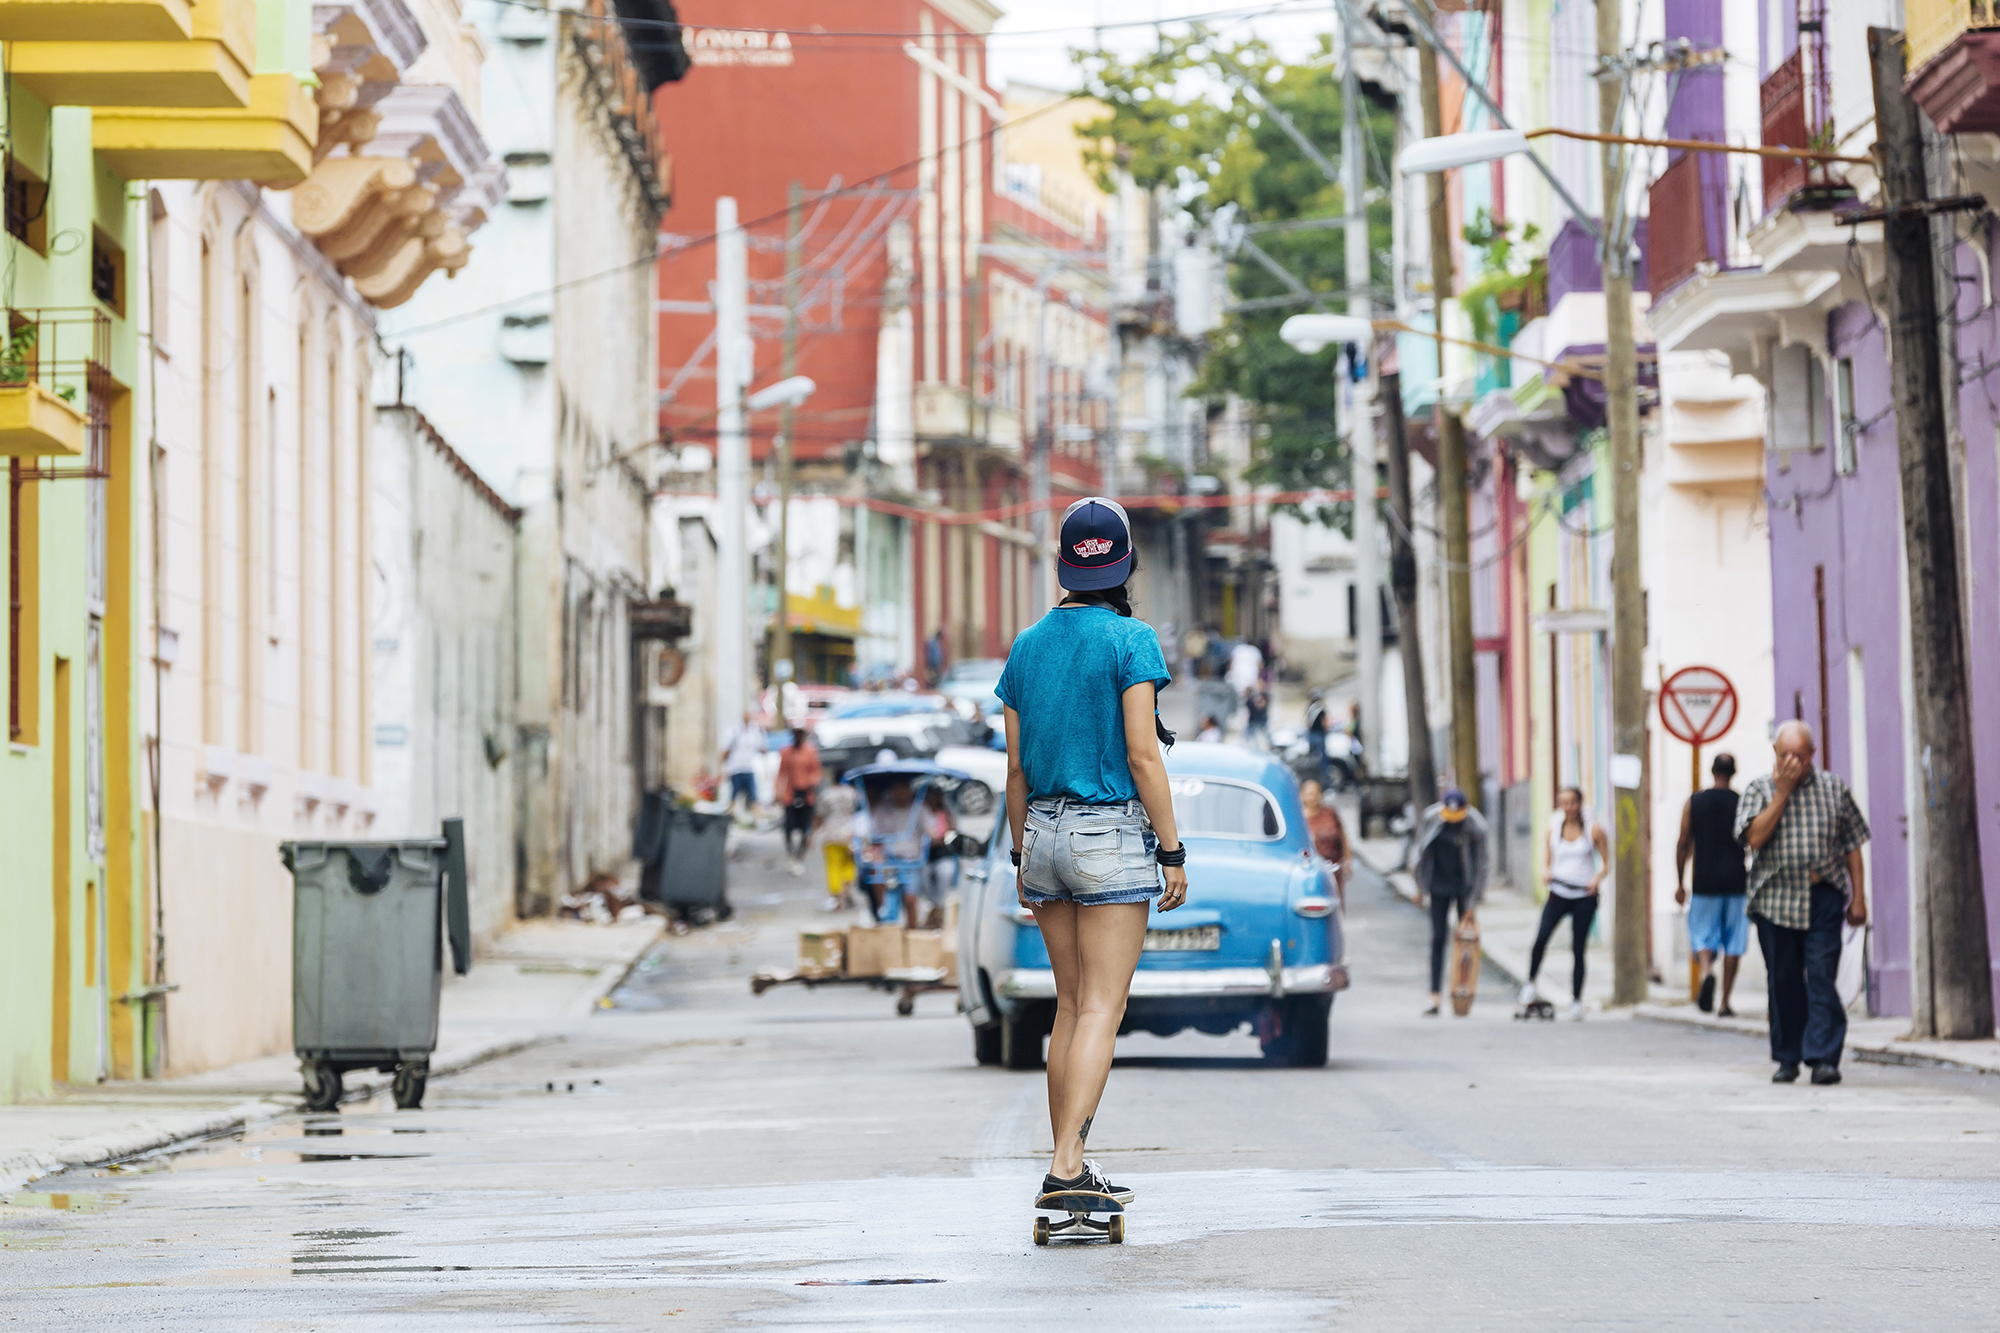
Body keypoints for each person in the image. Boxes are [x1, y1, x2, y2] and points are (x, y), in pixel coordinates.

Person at [995, 495, 1186, 1209]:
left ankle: (1066, 1161)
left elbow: (1015, 770)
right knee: (1104, 1006)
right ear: (1126, 565)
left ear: (1062, 566)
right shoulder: (1131, 640)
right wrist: (1172, 851)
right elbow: (1142, 754)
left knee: (1070, 1007)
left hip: (1040, 833)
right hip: (1107, 835)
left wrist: (1020, 855)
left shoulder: (1026, 646)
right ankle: (1067, 1165)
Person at [1736, 721, 1870, 1085]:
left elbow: (1852, 845)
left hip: (1822, 895)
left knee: (1822, 976)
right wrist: (1782, 793)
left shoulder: (1834, 788)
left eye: (1799, 755)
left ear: (1812, 754)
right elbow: (1754, 839)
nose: (1792, 762)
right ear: (1775, 754)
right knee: (1784, 981)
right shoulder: (1759, 789)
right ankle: (1788, 1057)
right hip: (1774, 899)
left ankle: (1824, 1058)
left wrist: (1858, 898)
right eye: (1785, 755)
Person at [1521, 787, 1609, 1020]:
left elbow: (1606, 863)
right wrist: (1545, 871)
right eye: (1564, 803)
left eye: (1572, 802)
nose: (1568, 808)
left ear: (1580, 804)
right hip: (1559, 892)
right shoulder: (1554, 828)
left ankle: (1576, 1001)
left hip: (1583, 896)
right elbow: (1547, 861)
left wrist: (1597, 878)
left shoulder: (1593, 830)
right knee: (1541, 937)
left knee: (1578, 949)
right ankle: (1530, 983)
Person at [1676, 753, 1748, 1015]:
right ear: (1733, 772)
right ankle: (1725, 1002)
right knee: (1734, 942)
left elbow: (1683, 843)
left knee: (1702, 935)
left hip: (1704, 880)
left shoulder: (1695, 802)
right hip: (1736, 881)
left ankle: (1707, 971)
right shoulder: (1742, 802)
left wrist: (1680, 883)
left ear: (1711, 770)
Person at [1412, 788, 1489, 1016]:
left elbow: (1482, 865)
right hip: (1438, 885)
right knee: (1438, 938)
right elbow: (1421, 853)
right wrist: (1419, 888)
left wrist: (1472, 903)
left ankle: (1462, 992)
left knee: (1465, 942)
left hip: (1464, 887)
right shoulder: (1431, 818)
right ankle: (1434, 996)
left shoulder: (1476, 825)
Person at [774, 726, 823, 877]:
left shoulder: (810, 751)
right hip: (790, 794)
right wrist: (777, 792)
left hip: (806, 793)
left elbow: (816, 771)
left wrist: (811, 782)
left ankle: (799, 856)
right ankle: (790, 854)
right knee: (788, 826)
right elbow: (781, 773)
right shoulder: (786, 752)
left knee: (805, 829)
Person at [1299, 779, 1350, 907]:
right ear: (1302, 796)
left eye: (1316, 793)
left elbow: (1343, 837)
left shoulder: (1330, 813)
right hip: (1310, 871)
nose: (1313, 797)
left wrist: (1347, 860)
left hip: (1333, 868)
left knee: (1335, 903)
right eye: (1309, 794)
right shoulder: (1298, 817)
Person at [914, 787, 959, 929]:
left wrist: (939, 839)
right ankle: (933, 906)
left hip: (942, 854)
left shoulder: (946, 814)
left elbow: (950, 834)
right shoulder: (921, 812)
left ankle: (938, 907)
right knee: (923, 877)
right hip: (924, 856)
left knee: (945, 872)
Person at [817, 780, 858, 911]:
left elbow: (819, 815)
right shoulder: (853, 793)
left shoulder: (826, 794)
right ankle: (847, 888)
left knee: (833, 866)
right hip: (849, 834)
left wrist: (812, 834)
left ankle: (837, 898)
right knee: (849, 864)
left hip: (830, 835)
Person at [718, 712, 765, 820]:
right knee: (734, 797)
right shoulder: (734, 731)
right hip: (736, 769)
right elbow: (725, 751)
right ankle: (727, 820)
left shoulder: (755, 732)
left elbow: (761, 747)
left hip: (749, 768)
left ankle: (760, 820)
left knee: (754, 797)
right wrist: (722, 769)